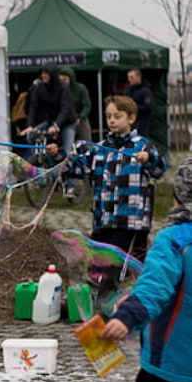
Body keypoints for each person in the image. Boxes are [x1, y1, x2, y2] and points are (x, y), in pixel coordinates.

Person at [100, 157, 192, 382]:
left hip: (166, 366)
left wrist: (127, 316)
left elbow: (155, 288)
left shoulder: (175, 240)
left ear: (179, 196)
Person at [48, 95, 167, 259]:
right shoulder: (100, 148)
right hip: (103, 220)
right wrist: (59, 155)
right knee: (97, 264)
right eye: (108, 116)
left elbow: (160, 170)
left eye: (117, 116)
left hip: (130, 222)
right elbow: (75, 169)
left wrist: (149, 158)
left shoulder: (142, 145)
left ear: (131, 118)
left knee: (113, 266)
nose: (112, 120)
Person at [20, 65, 76, 159]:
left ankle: (67, 167)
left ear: (52, 75)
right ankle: (37, 159)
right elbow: (33, 107)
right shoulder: (39, 88)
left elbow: (65, 108)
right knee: (31, 136)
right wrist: (30, 126)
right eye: (42, 73)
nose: (43, 76)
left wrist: (56, 125)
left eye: (46, 74)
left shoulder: (63, 87)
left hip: (67, 122)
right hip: (50, 121)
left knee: (67, 150)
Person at [59, 67, 92, 141]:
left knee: (85, 142)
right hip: (65, 120)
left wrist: (80, 117)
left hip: (79, 118)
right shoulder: (58, 90)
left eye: (65, 80)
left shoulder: (80, 88)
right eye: (61, 80)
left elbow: (87, 105)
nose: (63, 82)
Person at [125, 68, 154, 137]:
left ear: (138, 77)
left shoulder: (145, 91)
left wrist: (133, 107)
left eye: (132, 77)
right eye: (128, 77)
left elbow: (148, 108)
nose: (129, 80)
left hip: (141, 124)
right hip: (130, 123)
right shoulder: (129, 90)